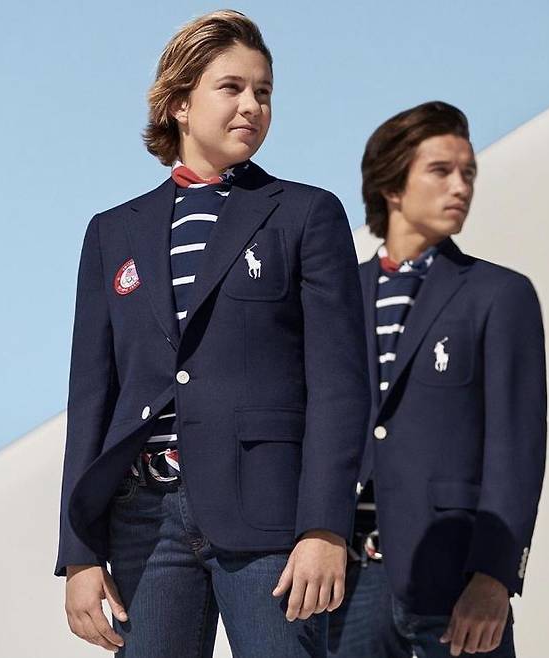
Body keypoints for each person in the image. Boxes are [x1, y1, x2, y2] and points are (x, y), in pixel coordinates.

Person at [54, 11, 370, 657]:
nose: (252, 105)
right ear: (179, 103)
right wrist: (79, 552)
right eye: (231, 88)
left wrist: (324, 528)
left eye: (263, 91)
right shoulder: (112, 232)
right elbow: (92, 398)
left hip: (270, 518)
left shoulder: (305, 214)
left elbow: (341, 385)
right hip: (142, 521)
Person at [329, 101, 546, 657]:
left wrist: (495, 578)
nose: (461, 187)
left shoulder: (500, 295)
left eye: (468, 172)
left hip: (455, 587)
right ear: (392, 186)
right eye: (441, 171)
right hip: (346, 590)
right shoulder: (335, 298)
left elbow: (516, 451)